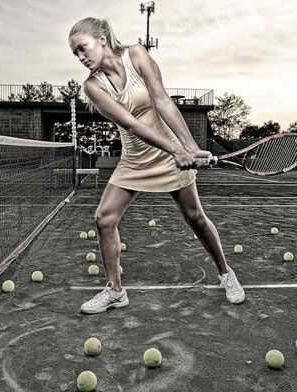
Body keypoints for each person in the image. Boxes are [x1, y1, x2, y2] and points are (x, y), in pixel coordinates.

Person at [68, 17, 245, 314]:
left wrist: (188, 147)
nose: (81, 57)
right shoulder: (92, 86)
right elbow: (131, 124)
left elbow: (163, 101)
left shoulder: (136, 54)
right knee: (104, 219)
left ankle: (226, 273)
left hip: (168, 154)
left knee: (195, 218)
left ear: (101, 38)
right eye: (76, 54)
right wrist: (176, 149)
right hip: (135, 159)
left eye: (82, 48)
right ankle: (115, 290)